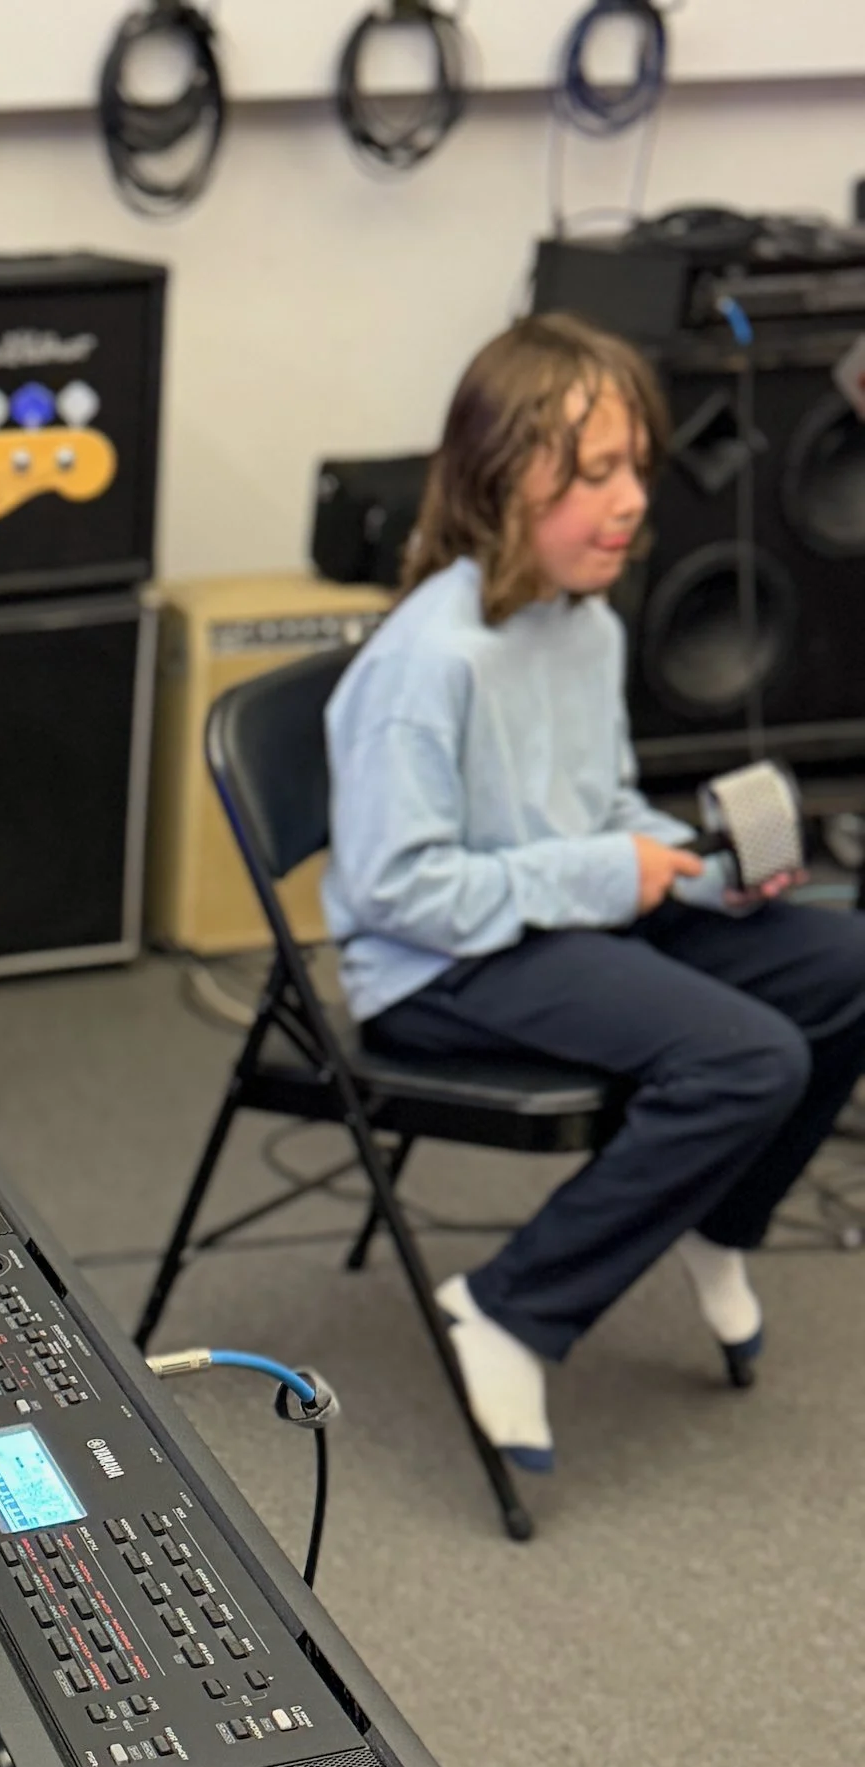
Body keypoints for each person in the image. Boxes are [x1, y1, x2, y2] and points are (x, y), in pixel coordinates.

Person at [323, 311, 865, 1473]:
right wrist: (606, 869)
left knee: (843, 964)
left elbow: (601, 800)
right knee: (748, 1057)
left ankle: (717, 1220)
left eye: (635, 470)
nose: (630, 502)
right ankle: (511, 1309)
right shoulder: (425, 665)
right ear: (502, 483)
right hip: (439, 964)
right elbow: (398, 889)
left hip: (564, 907)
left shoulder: (582, 617)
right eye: (596, 474)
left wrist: (688, 862)